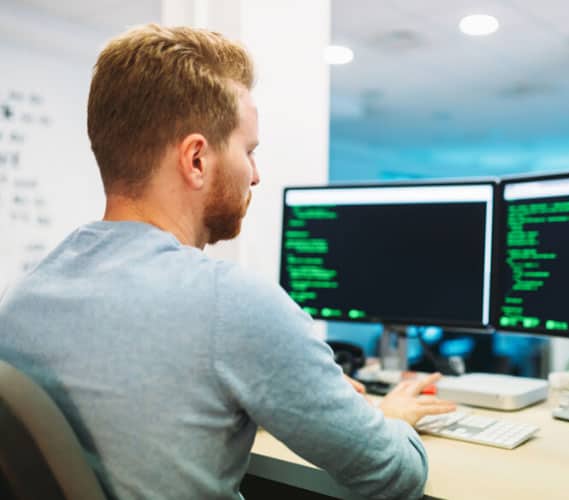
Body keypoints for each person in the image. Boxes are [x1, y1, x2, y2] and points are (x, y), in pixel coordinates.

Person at [0, 24, 455, 499]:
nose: (255, 175)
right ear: (196, 159)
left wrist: (287, 392)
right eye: (249, 150)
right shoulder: (230, 302)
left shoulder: (23, 296)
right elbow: (392, 474)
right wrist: (389, 420)